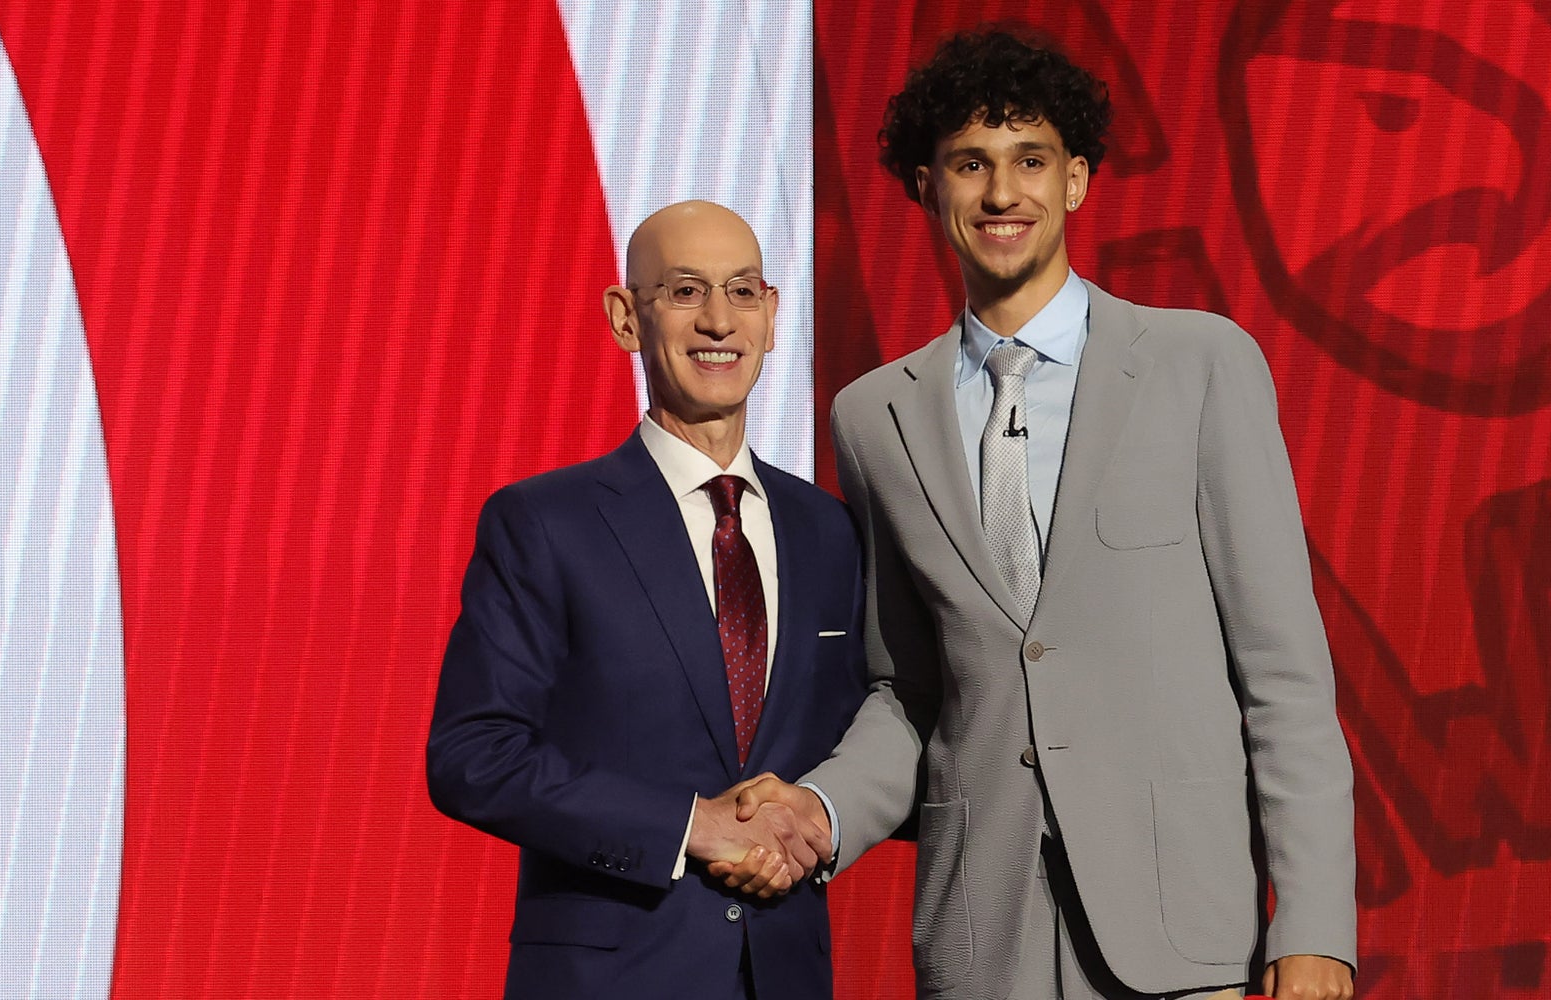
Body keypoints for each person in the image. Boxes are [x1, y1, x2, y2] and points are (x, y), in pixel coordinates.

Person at [724, 30, 1357, 1000]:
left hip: (1184, 938)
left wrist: (1312, 927)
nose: (1000, 193)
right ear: (926, 187)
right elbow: (914, 693)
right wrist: (819, 809)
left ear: (1076, 180)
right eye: (970, 163)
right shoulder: (872, 417)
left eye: (1029, 160)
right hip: (983, 940)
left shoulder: (1199, 365)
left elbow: (1284, 678)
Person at [427, 200, 870, 999]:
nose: (718, 321)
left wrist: (820, 812)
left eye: (742, 292)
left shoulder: (829, 530)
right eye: (685, 291)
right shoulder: (545, 523)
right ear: (626, 318)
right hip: (608, 976)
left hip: (786, 974)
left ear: (772, 316)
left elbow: (862, 733)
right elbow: (473, 756)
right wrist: (691, 826)